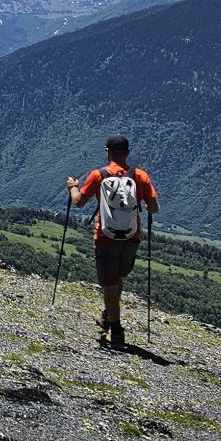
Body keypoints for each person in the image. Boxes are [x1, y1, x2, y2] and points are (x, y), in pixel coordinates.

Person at [69, 135, 157, 349]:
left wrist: (72, 186)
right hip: (131, 237)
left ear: (107, 151)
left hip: (106, 237)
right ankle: (108, 316)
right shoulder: (140, 176)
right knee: (118, 277)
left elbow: (79, 201)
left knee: (109, 284)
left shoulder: (98, 175)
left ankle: (116, 331)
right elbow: (154, 208)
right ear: (127, 152)